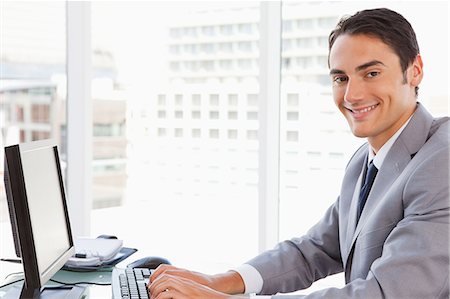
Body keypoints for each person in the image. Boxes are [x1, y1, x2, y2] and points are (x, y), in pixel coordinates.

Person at [148, 7, 449, 299]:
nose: (352, 95)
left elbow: (387, 294)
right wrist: (218, 281)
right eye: (340, 78)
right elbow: (314, 250)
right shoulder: (365, 159)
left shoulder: (441, 162)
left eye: (371, 73)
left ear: (415, 71)